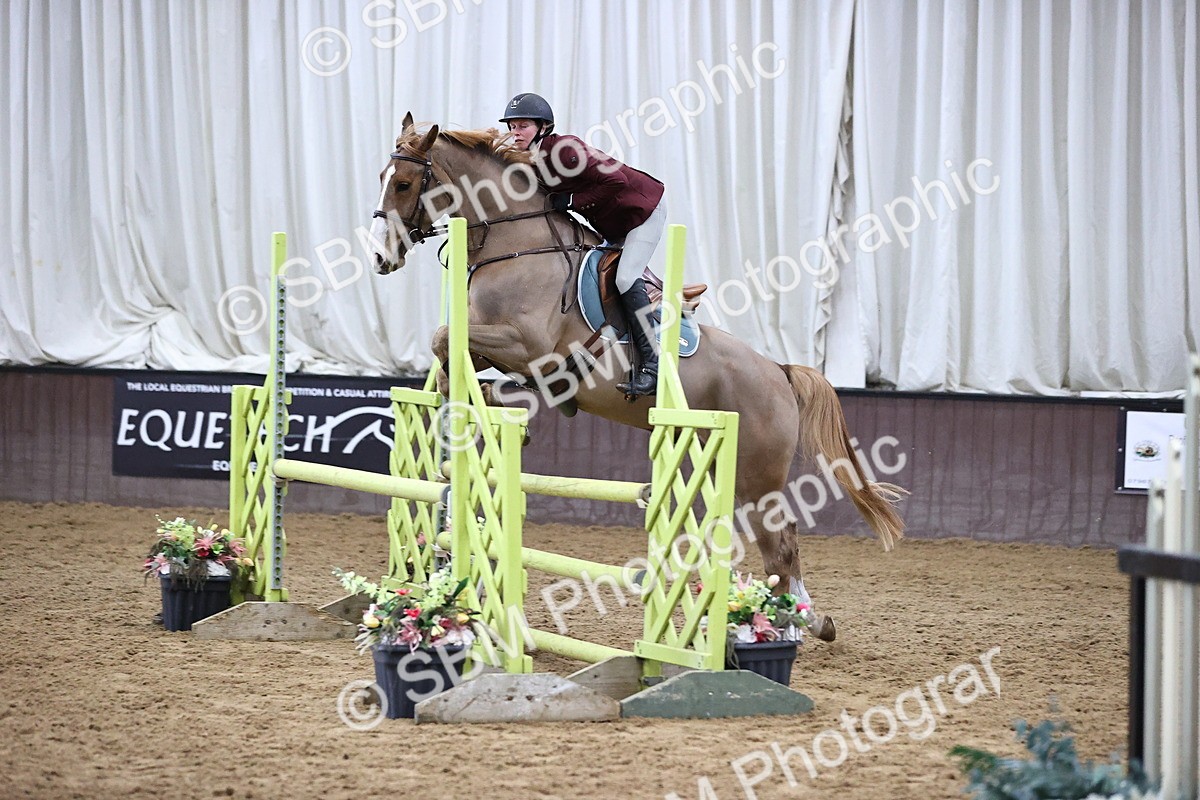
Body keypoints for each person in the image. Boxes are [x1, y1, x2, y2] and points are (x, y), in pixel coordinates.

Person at [500, 92, 666, 397]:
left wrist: (573, 201)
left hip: (642, 211)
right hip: (613, 222)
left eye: (522, 126)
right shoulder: (532, 160)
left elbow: (614, 180)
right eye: (511, 126)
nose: (515, 132)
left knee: (626, 277)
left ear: (543, 127)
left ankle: (653, 367)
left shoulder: (565, 151)